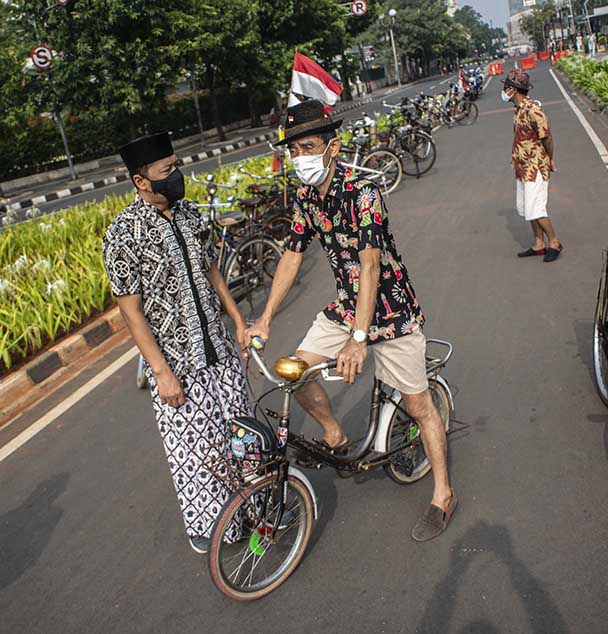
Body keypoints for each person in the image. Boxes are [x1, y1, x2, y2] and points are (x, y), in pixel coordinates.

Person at [243, 99, 457, 542]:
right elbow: (292, 255)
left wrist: (359, 340)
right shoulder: (306, 197)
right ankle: (336, 436)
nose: (300, 158)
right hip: (346, 307)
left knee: (417, 406)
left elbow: (372, 268)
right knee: (294, 372)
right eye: (294, 150)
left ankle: (443, 493)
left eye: (308, 147)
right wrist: (262, 318)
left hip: (390, 311)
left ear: (333, 147)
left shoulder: (364, 193)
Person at [102, 132, 251, 555]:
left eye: (176, 166)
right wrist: (162, 374)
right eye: (167, 171)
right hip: (177, 365)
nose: (177, 176)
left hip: (219, 350)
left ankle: (254, 506)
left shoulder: (188, 214)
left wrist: (238, 321)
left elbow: (211, 272)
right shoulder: (122, 235)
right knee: (197, 451)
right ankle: (211, 526)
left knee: (239, 435)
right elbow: (131, 312)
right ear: (140, 181)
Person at [503, 69, 562, 263]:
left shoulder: (533, 110)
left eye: (506, 87)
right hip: (522, 165)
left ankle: (554, 242)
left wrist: (550, 159)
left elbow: (548, 138)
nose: (504, 90)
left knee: (535, 208)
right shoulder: (518, 109)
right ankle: (539, 244)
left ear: (513, 89)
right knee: (526, 208)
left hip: (535, 167)